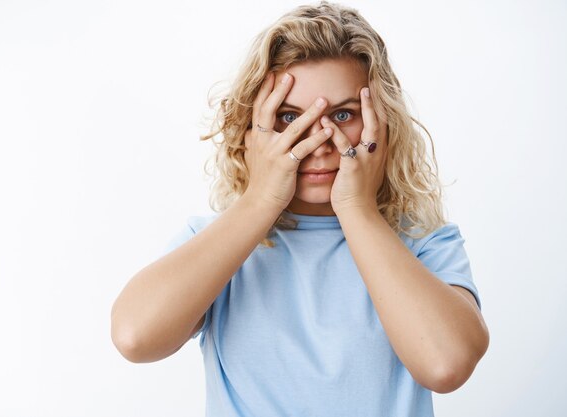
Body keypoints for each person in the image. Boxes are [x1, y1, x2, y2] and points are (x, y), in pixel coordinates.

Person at [110, 1, 490, 415]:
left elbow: (446, 364)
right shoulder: (217, 243)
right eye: (291, 117)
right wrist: (260, 200)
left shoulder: (423, 242)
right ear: (251, 130)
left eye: (343, 114)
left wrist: (357, 209)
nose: (320, 141)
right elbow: (134, 337)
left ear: (383, 121)